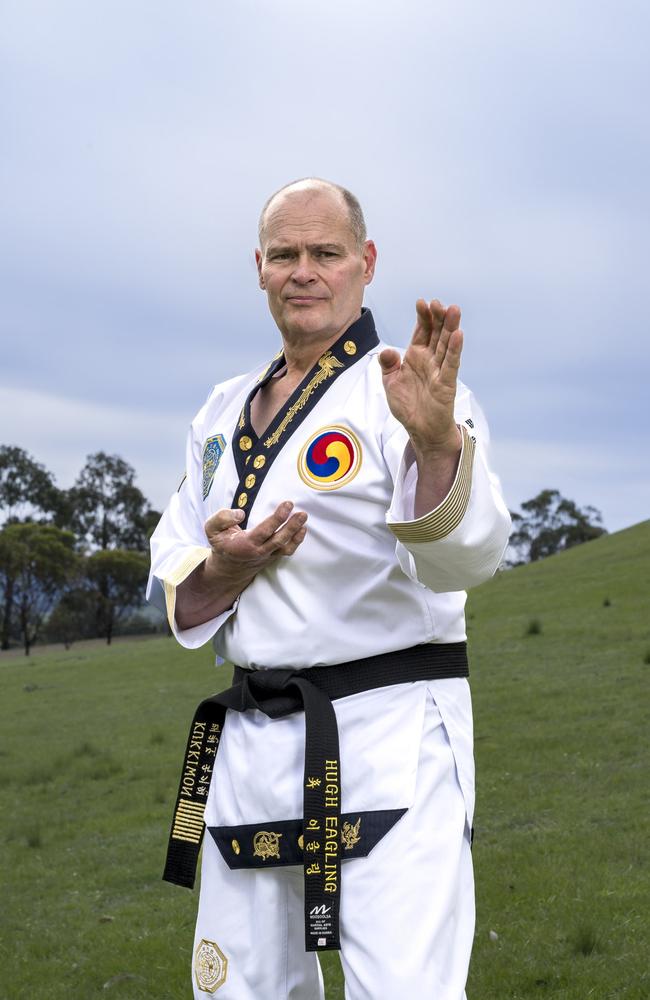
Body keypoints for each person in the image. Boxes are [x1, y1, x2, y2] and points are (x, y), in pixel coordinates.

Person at [147, 177, 511, 999]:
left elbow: (469, 560)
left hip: (389, 739)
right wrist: (227, 568)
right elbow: (177, 564)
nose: (303, 271)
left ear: (365, 263)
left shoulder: (406, 392)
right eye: (285, 255)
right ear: (260, 268)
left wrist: (439, 449)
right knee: (238, 991)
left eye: (326, 253)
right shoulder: (220, 412)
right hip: (250, 745)